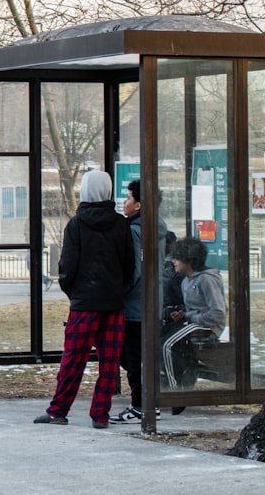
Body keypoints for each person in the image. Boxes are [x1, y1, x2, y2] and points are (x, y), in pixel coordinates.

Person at [34, 170, 135, 428]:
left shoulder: (76, 224)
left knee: (73, 360)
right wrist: (115, 288)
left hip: (84, 305)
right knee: (109, 364)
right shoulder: (121, 224)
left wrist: (74, 293)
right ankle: (100, 414)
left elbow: (67, 267)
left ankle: (58, 410)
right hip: (113, 304)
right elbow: (128, 265)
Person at [110, 179, 166, 424]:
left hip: (135, 304)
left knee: (133, 357)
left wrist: (117, 292)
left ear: (139, 205)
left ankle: (140, 406)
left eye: (129, 198)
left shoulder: (135, 230)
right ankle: (150, 403)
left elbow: (133, 268)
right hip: (152, 300)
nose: (124, 202)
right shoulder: (157, 227)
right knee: (142, 356)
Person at [161, 236, 226, 393]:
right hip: (194, 323)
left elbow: (217, 313)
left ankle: (173, 389)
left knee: (167, 345)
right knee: (160, 338)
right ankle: (179, 381)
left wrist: (190, 316)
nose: (174, 262)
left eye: (178, 258)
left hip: (208, 327)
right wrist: (183, 314)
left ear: (189, 260)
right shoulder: (186, 281)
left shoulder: (206, 280)